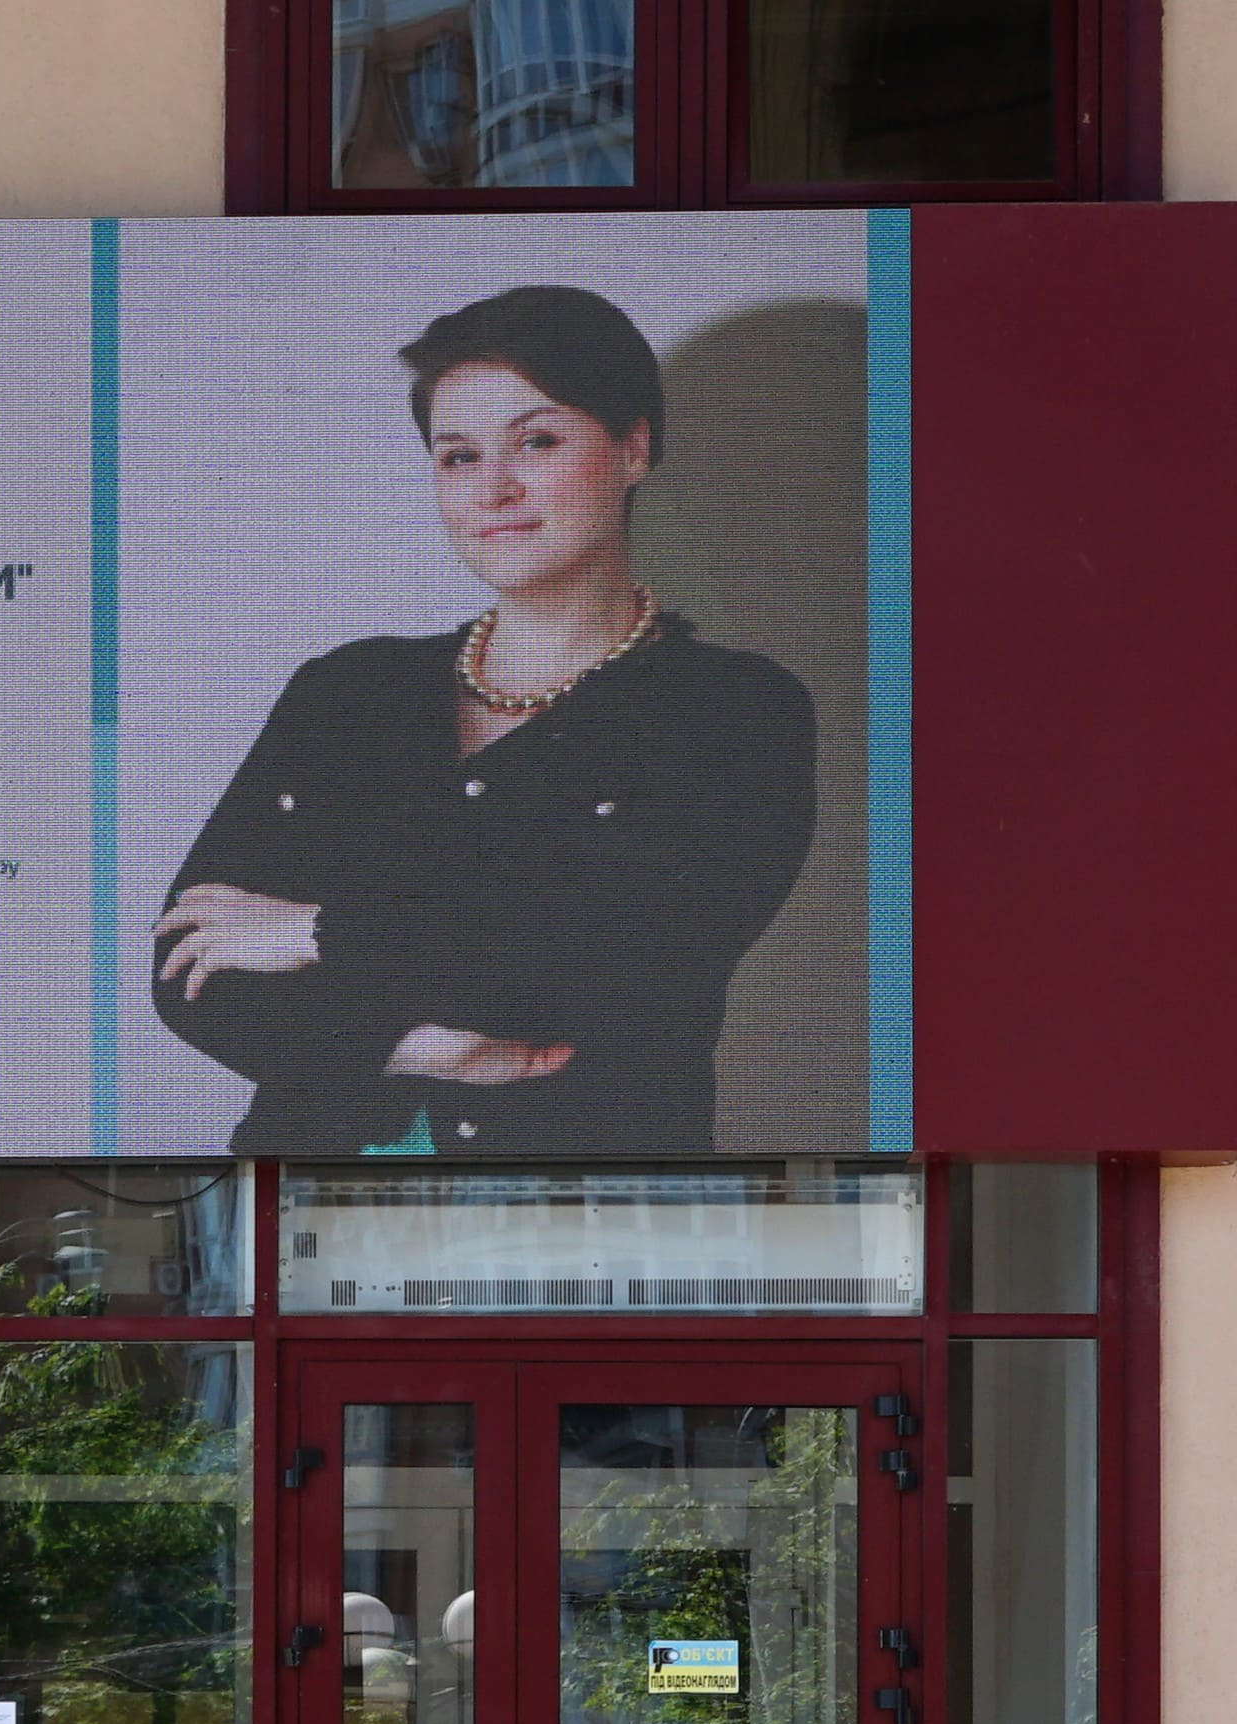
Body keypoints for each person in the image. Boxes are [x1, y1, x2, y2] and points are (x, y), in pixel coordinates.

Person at [150, 285, 818, 1156]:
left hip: (587, 1207)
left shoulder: (733, 709)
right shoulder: (347, 692)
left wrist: (313, 931)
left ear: (634, 448)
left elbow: (618, 957)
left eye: (536, 441)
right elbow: (192, 967)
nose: (494, 489)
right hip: (313, 1190)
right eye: (458, 456)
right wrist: (424, 1048)